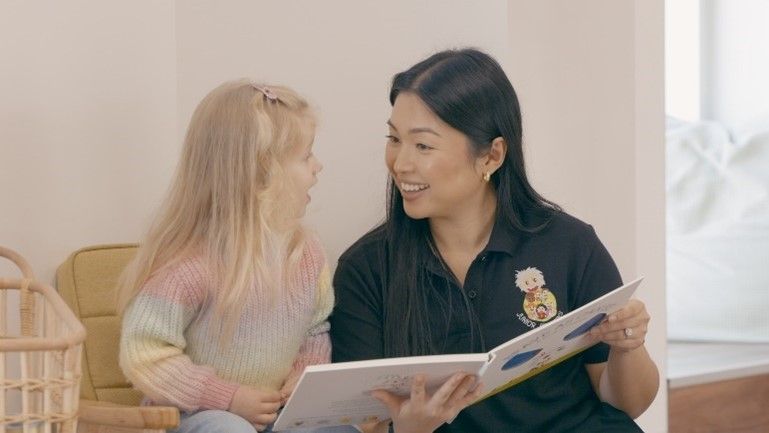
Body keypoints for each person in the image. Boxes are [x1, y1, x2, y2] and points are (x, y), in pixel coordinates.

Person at [330, 49, 660, 433]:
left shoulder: (569, 244)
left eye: (423, 145)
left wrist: (626, 347)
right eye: (394, 139)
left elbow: (628, 406)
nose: (400, 163)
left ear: (491, 155)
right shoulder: (366, 269)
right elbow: (361, 424)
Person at [118, 80, 357, 433]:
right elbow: (145, 355)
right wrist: (226, 397)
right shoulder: (190, 264)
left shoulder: (305, 254)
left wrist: (304, 374)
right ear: (263, 171)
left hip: (276, 412)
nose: (317, 166)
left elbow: (315, 328)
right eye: (306, 155)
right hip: (193, 414)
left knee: (339, 431)